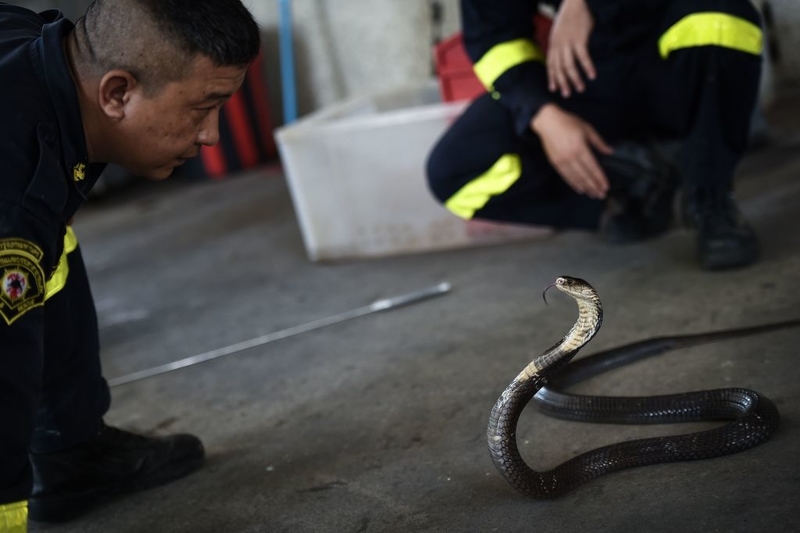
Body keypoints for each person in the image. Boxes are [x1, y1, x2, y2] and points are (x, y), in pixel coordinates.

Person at [0, 0, 260, 528]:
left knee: (53, 251)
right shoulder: (14, 187)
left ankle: (70, 452)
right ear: (117, 93)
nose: (211, 134)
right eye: (202, 107)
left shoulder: (36, 48)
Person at [426, 0, 764, 270]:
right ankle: (636, 185)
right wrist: (543, 114)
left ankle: (711, 195)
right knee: (457, 173)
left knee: (719, 19)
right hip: (589, 68)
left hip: (675, 60)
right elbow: (495, 36)